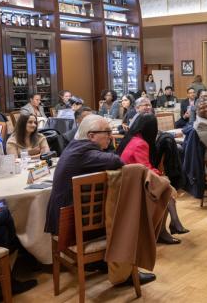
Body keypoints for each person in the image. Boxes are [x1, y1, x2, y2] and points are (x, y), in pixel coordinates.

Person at [44, 114, 156, 285]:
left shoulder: (75, 146)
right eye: (107, 132)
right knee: (126, 218)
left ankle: (106, 264)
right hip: (70, 227)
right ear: (91, 136)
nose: (111, 136)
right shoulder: (84, 153)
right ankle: (125, 274)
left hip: (64, 220)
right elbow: (116, 160)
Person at [116, 114, 189, 245]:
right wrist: (161, 175)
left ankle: (172, 223)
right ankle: (164, 230)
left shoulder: (130, 138)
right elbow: (146, 168)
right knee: (164, 188)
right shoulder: (140, 143)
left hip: (124, 180)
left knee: (164, 185)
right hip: (132, 184)